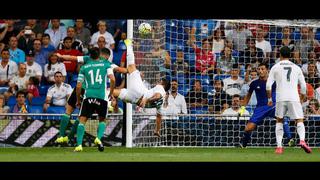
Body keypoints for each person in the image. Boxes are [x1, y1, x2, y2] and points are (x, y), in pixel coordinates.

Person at [111, 39, 171, 137]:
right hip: (134, 100)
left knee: (131, 67)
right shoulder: (162, 104)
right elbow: (159, 117)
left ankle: (128, 45)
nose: (159, 81)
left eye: (161, 81)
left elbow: (157, 96)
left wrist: (146, 98)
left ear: (163, 84)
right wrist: (157, 130)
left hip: (141, 93)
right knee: (113, 92)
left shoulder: (161, 89)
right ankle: (112, 68)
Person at [266, 46, 312, 154]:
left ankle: (279, 147)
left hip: (280, 98)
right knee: (299, 119)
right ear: (290, 55)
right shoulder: (296, 68)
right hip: (294, 97)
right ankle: (302, 140)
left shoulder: (275, 67)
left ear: (280, 55)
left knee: (279, 120)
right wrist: (302, 96)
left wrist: (269, 98)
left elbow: (268, 85)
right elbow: (304, 86)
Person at [238, 63, 294, 148]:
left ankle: (290, 139)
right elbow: (248, 96)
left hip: (272, 106)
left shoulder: (274, 82)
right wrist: (242, 109)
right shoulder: (254, 83)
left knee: (282, 118)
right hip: (260, 108)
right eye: (259, 69)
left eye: (262, 69)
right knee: (248, 128)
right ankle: (243, 145)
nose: (260, 71)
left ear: (267, 70)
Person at [74, 47, 115, 152]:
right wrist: (111, 93)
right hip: (102, 97)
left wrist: (78, 100)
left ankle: (79, 145)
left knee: (82, 121)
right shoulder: (106, 64)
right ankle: (98, 138)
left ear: (90, 55)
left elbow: (78, 86)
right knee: (102, 120)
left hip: (88, 96)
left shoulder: (84, 67)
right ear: (99, 55)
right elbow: (113, 79)